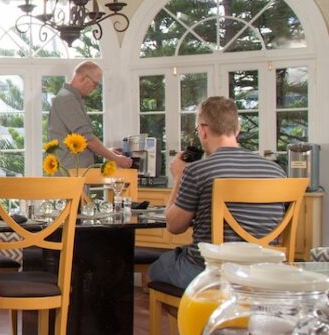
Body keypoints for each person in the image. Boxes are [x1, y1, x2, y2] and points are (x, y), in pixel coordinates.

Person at [149, 96, 287, 289]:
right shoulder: (276, 171)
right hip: (262, 271)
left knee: (156, 269)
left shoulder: (198, 171)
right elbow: (280, 230)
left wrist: (179, 177)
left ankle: (201, 314)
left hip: (212, 272)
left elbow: (174, 226)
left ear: (203, 130)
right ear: (237, 130)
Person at [47, 61, 133, 170]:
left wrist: (107, 152)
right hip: (71, 174)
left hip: (74, 172)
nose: (95, 88)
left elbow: (82, 141)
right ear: (83, 78)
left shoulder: (72, 98)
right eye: (95, 84)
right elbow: (86, 138)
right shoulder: (67, 99)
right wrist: (116, 158)